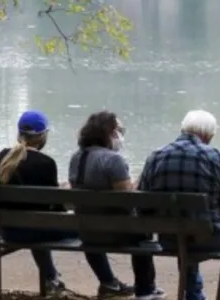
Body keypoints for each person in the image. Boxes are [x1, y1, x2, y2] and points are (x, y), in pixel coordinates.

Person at [0, 110, 132, 298]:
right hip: (33, 230)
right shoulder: (46, 163)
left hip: (7, 229)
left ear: (19, 133)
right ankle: (108, 282)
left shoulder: (3, 157)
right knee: (85, 227)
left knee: (37, 222)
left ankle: (51, 279)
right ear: (42, 136)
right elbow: (54, 208)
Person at [137, 109, 220, 300]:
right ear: (208, 135)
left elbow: (143, 205)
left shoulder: (155, 156)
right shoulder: (216, 156)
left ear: (183, 129)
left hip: (168, 239)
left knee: (182, 223)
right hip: (210, 239)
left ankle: (194, 294)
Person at [68, 111, 165, 300]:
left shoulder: (76, 158)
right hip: (117, 231)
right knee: (143, 229)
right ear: (109, 132)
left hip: (87, 231)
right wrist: (139, 183)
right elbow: (127, 200)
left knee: (96, 225)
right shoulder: (113, 160)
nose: (121, 136)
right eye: (119, 130)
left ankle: (107, 282)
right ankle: (145, 288)